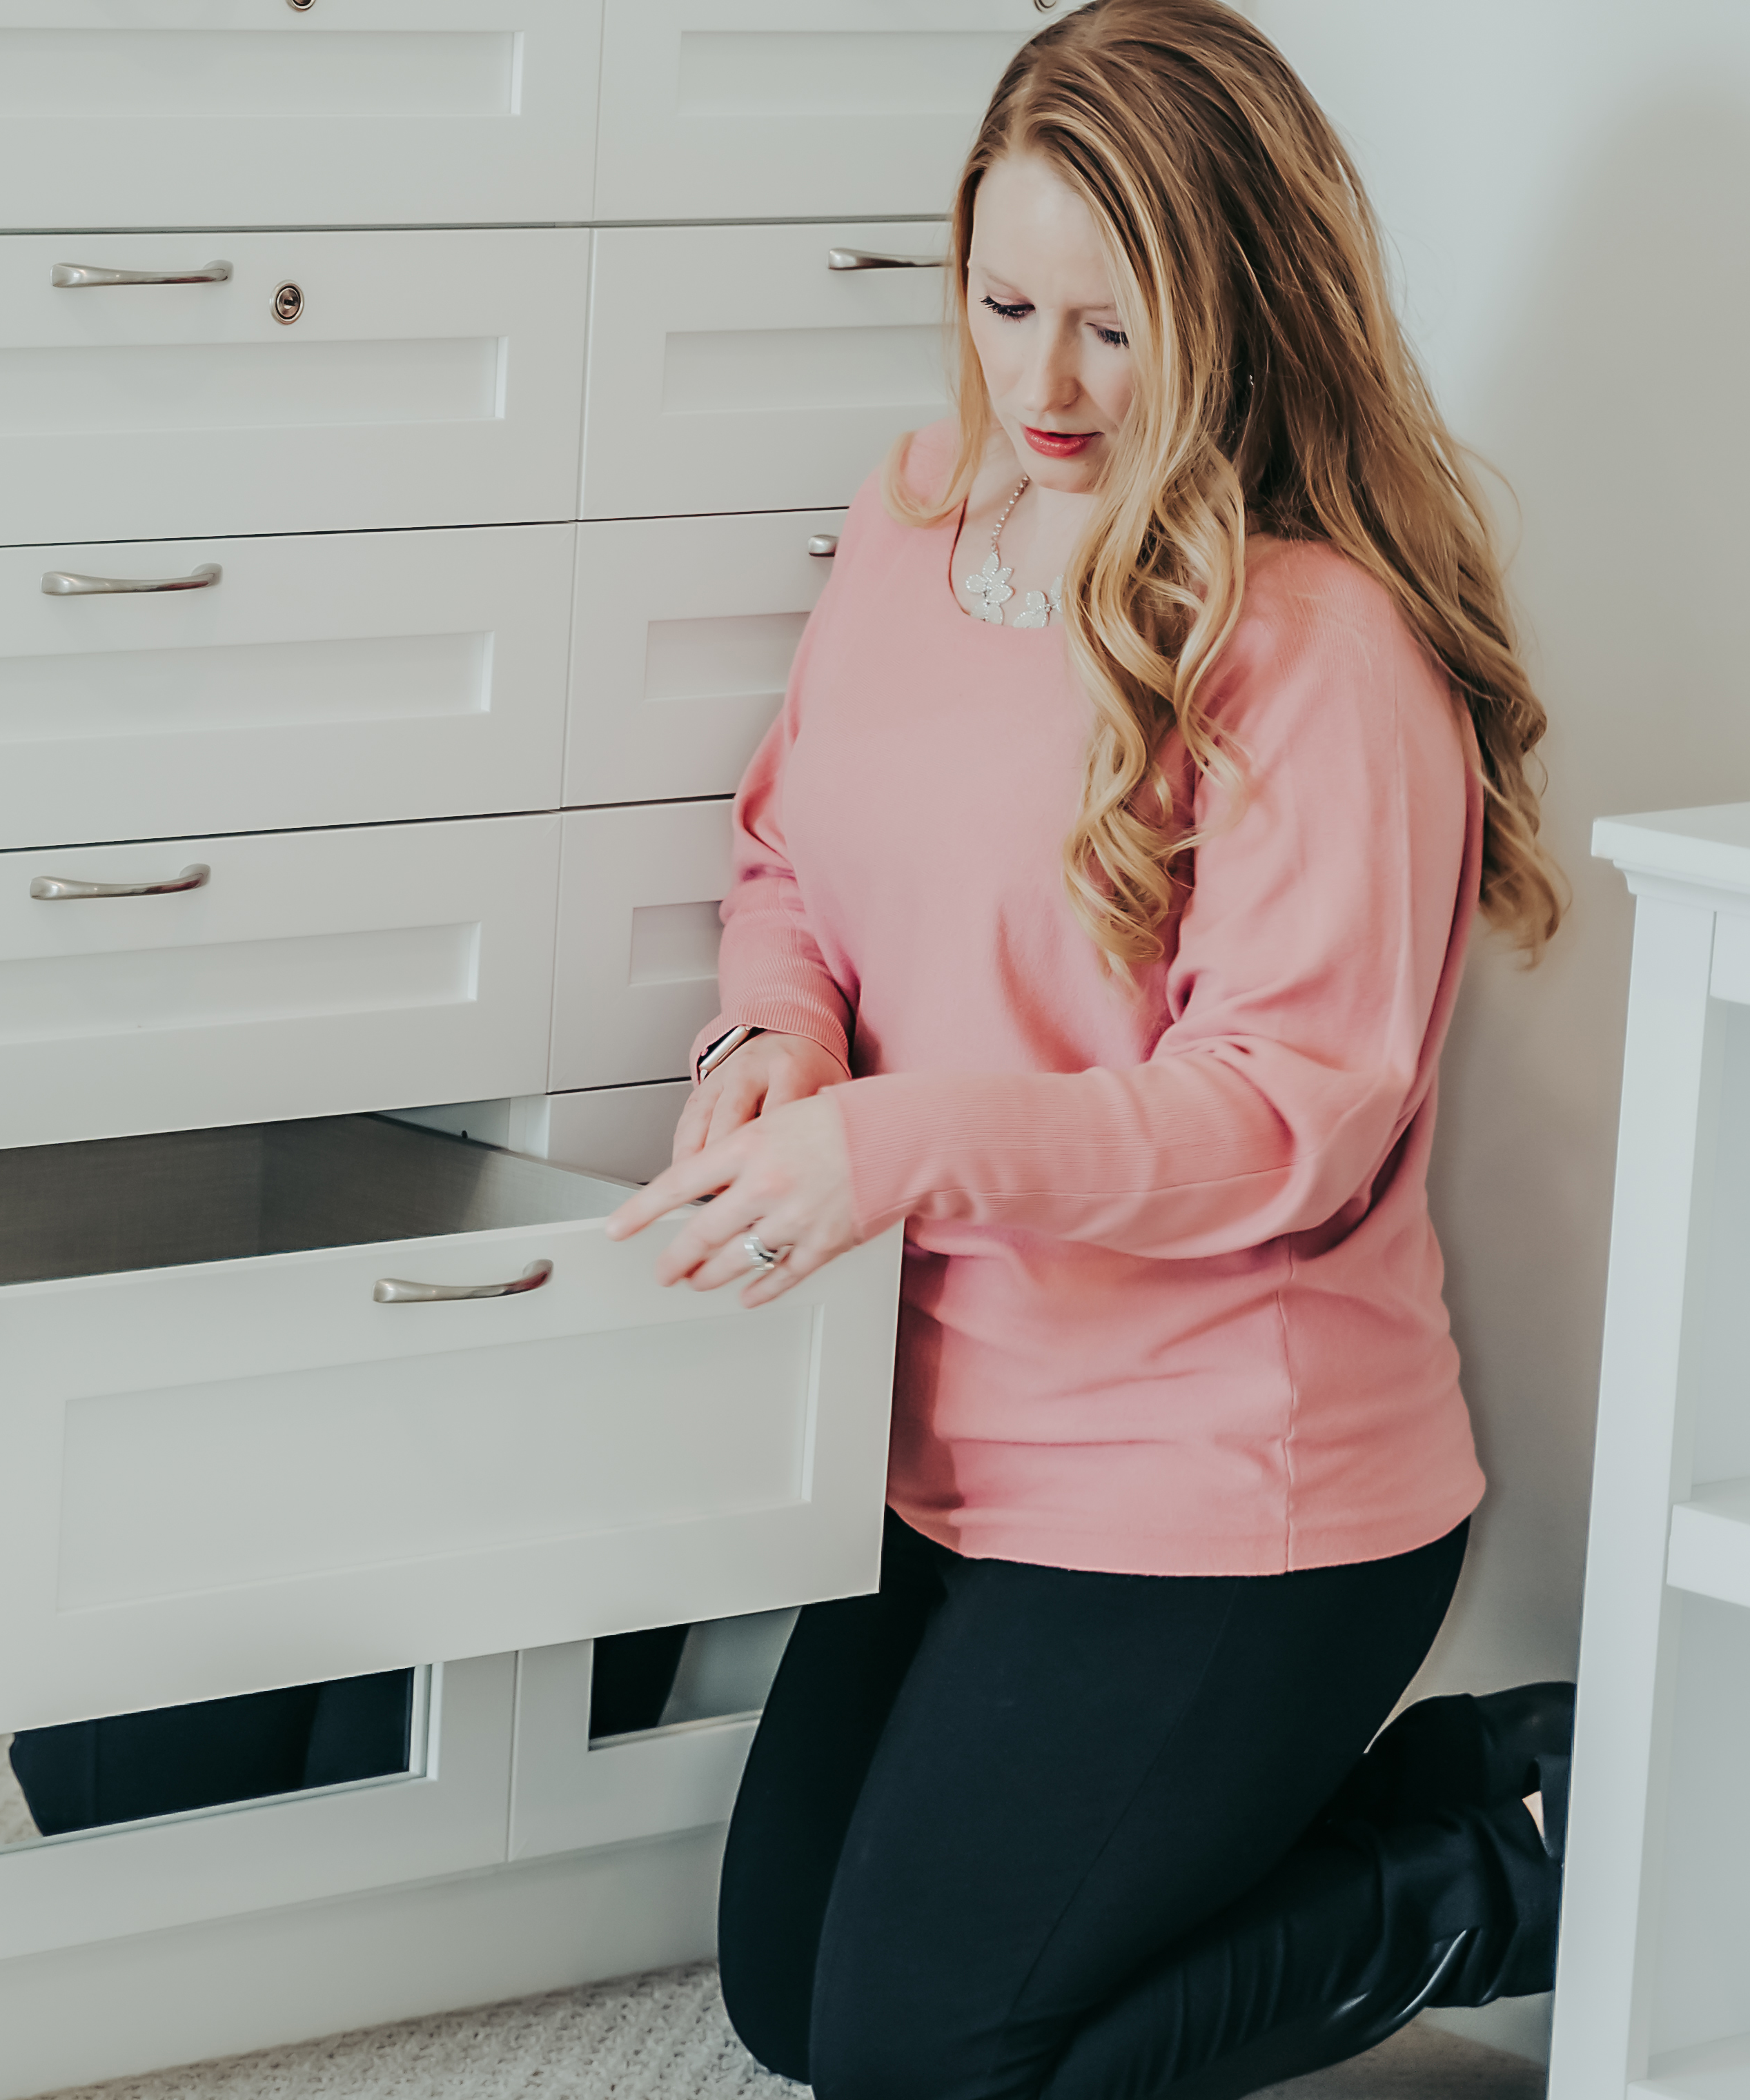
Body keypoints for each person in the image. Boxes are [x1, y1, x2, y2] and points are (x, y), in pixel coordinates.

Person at [601, 5, 1573, 2096]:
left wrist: (889, 1149)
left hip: (1236, 1492)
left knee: (924, 2056)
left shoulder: (1321, 644)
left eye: (1114, 330)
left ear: (1236, 310)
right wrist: (772, 1038)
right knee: (789, 1995)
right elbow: (792, 850)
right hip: (948, 1454)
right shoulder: (917, 517)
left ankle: (1500, 1850)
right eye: (1006, 299)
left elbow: (1283, 1124)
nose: (1042, 382)